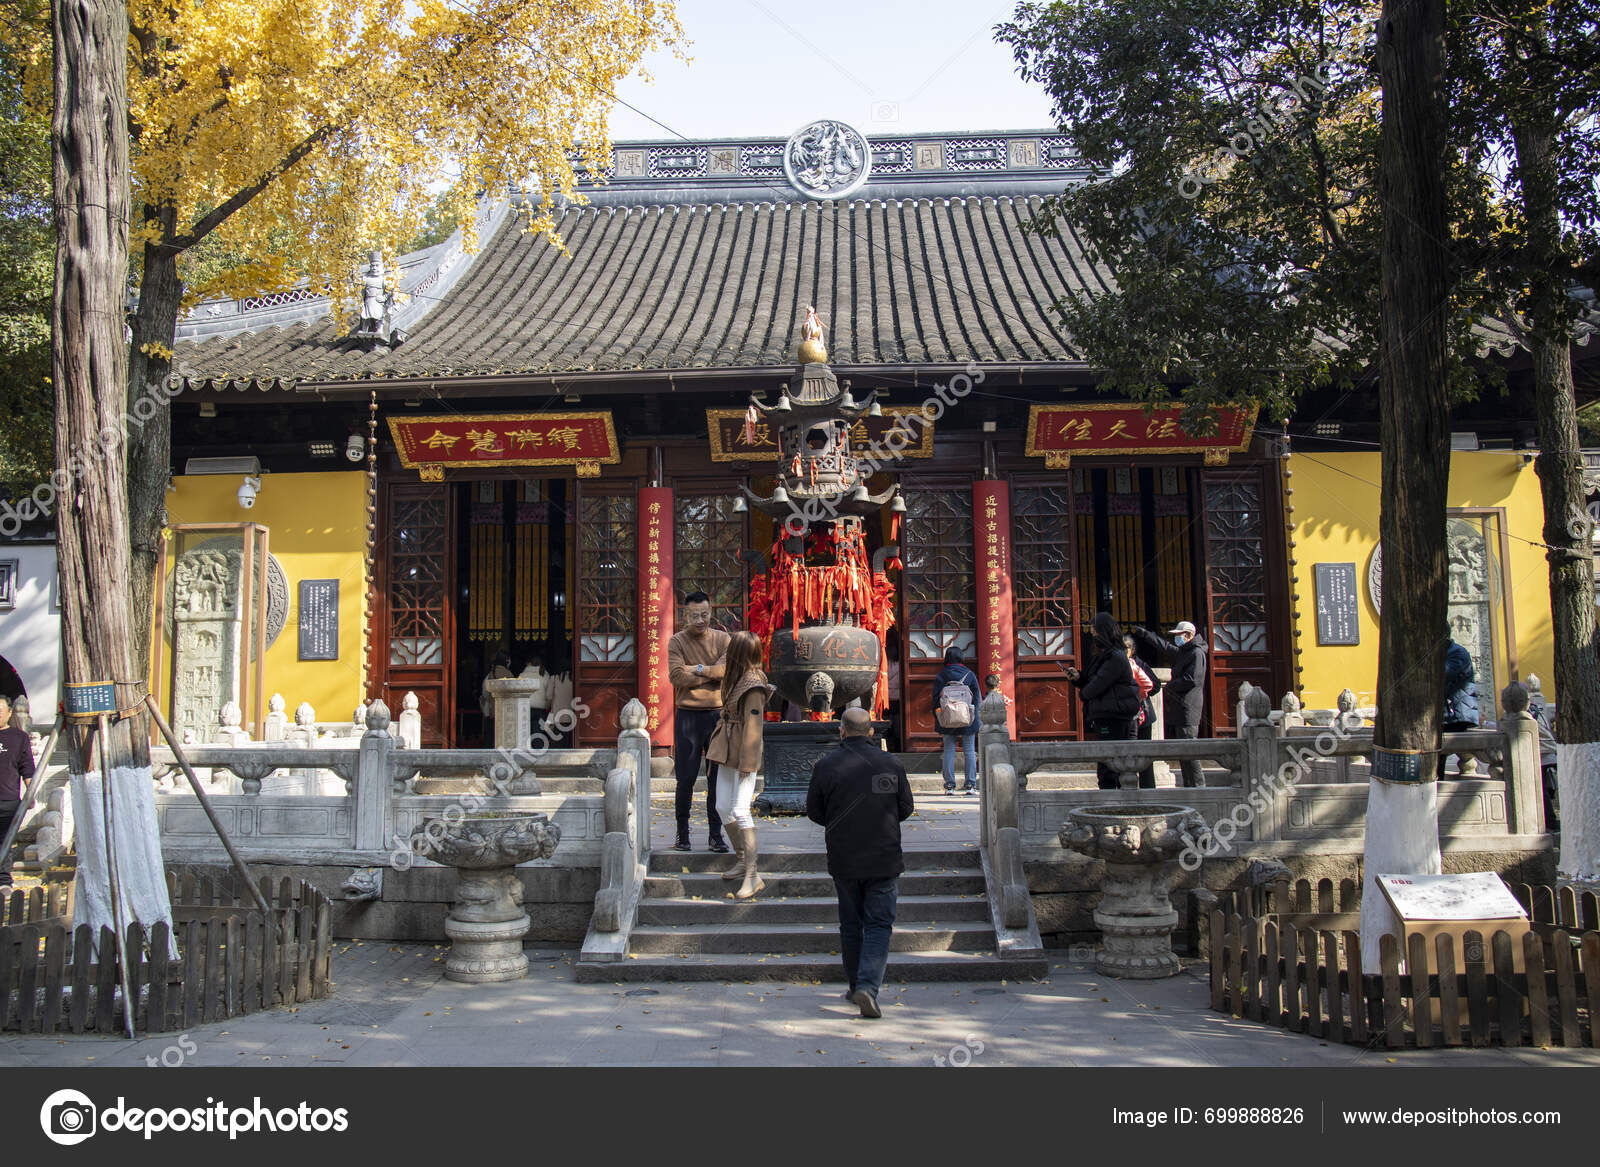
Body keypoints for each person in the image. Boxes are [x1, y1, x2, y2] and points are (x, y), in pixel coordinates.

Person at [806, 707, 913, 1019]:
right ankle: (867, 985)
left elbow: (815, 812)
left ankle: (855, 986)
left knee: (851, 924)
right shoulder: (891, 763)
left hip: (844, 857)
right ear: (871, 732)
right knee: (879, 924)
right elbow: (905, 807)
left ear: (841, 731)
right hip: (883, 855)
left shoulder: (825, 765)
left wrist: (839, 821)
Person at [705, 631, 774, 899]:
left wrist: (749, 762)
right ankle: (743, 859)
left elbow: (754, 728)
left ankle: (753, 874)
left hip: (743, 752)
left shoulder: (753, 684)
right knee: (722, 805)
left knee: (740, 809)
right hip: (727, 748)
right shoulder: (737, 679)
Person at [666, 592, 732, 852]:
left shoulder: (723, 639)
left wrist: (697, 669)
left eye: (705, 615)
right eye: (695, 615)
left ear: (711, 611)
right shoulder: (677, 641)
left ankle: (716, 835)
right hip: (688, 716)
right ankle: (682, 833)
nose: (700, 620)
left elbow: (726, 670)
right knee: (686, 778)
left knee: (717, 779)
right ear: (685, 615)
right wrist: (710, 672)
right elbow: (677, 677)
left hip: (717, 715)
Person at [1066, 613, 1140, 790]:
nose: (1093, 639)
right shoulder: (1104, 655)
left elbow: (1099, 684)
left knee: (1111, 762)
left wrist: (1084, 693)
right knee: (1107, 761)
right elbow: (1093, 678)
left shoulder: (1115, 657)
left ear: (1104, 633)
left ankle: (1112, 801)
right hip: (1106, 713)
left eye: (1095, 634)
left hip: (1114, 715)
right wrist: (1078, 677)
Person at [1130, 619, 1208, 787]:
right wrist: (1145, 634)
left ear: (1188, 635)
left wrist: (1170, 685)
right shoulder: (1185, 651)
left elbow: (1192, 679)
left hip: (1189, 709)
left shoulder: (1196, 653)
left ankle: (1199, 786)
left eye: (1179, 636)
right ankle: (1189, 786)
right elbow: (1165, 647)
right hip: (1181, 709)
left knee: (1190, 752)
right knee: (1183, 751)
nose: (1176, 639)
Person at [932, 647, 980, 795]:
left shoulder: (942, 675)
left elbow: (935, 700)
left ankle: (949, 786)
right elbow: (977, 699)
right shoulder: (970, 674)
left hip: (947, 719)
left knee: (949, 751)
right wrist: (975, 718)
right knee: (970, 751)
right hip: (967, 718)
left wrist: (939, 718)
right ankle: (971, 785)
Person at [0, 695, 35, 890]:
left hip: (8, 800)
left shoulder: (18, 737)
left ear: (10, 713)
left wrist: (30, 794)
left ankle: (3, 881)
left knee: (5, 841)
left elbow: (27, 768)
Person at [1439, 632, 1480, 779]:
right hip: (1447, 715)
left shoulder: (1457, 653)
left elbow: (1442, 674)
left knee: (1437, 748)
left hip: (1458, 715)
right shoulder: (1444, 652)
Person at [1123, 635, 1160, 790]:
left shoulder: (1139, 664)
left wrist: (1140, 694)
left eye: (1126, 648)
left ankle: (1148, 789)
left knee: (1144, 755)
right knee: (1127, 754)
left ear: (1132, 650)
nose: (1124, 651)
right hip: (1127, 717)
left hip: (1143, 715)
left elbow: (1155, 685)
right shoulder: (1118, 664)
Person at [479, 651, 513, 746]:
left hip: (493, 710)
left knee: (491, 735)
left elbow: (485, 692)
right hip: (507, 711)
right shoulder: (509, 674)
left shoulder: (490, 675)